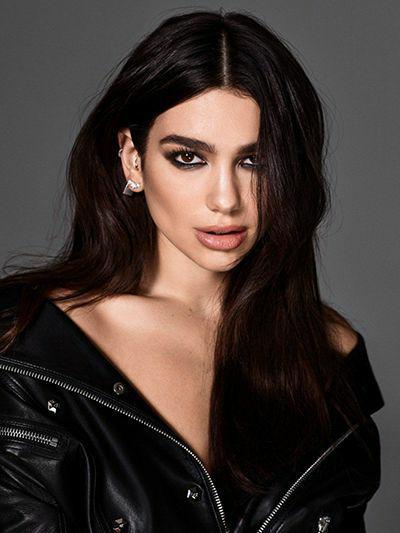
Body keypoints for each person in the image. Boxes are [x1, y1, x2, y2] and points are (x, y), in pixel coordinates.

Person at [0, 8, 385, 533]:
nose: (225, 199)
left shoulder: (330, 354)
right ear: (132, 159)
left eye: (255, 161)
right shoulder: (29, 349)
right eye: (188, 158)